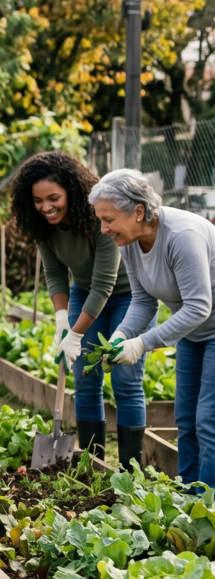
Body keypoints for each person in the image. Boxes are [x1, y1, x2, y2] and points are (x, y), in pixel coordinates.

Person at [9, 152, 149, 466]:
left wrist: (75, 332)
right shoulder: (44, 226)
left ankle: (131, 470)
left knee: (125, 379)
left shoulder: (101, 218)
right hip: (84, 294)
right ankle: (93, 462)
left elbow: (105, 284)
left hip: (131, 297)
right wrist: (62, 318)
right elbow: (55, 273)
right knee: (85, 377)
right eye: (37, 200)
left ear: (72, 192)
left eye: (53, 198)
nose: (46, 207)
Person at [90, 169, 215, 486]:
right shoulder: (129, 241)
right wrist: (121, 336)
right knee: (185, 419)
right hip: (192, 333)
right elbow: (143, 299)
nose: (104, 229)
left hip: (208, 326)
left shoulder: (181, 236)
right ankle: (190, 494)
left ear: (139, 211)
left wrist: (142, 344)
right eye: (100, 220)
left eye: (109, 219)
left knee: (208, 421)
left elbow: (200, 305)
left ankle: (209, 504)